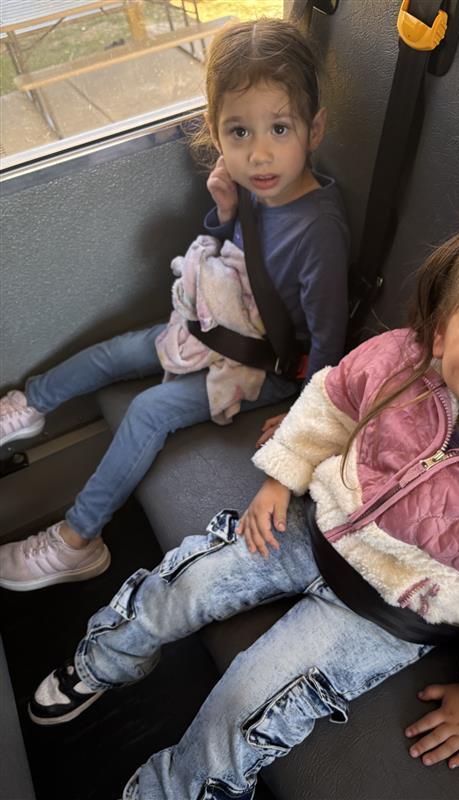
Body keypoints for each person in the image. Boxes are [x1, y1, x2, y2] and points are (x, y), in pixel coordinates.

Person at [29, 157, 459, 799]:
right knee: (183, 584)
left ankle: (169, 790)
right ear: (441, 334)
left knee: (246, 703)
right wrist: (282, 476)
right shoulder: (398, 364)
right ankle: (105, 659)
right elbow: (330, 403)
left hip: (390, 614)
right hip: (313, 524)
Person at [0, 19, 349, 592]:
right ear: (215, 131)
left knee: (148, 411)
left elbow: (327, 345)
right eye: (239, 132)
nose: (259, 153)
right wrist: (226, 213)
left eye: (279, 128)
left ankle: (76, 541)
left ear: (314, 130)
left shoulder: (320, 231)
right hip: (218, 322)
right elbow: (240, 259)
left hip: (268, 366)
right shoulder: (258, 188)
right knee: (115, 352)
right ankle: (31, 405)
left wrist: (302, 420)